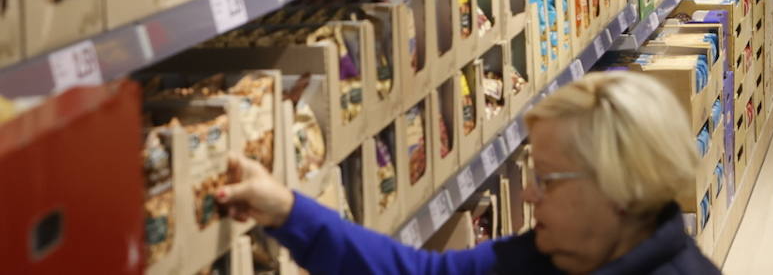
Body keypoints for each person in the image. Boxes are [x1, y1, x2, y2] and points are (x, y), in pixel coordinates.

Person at [215, 72, 720, 275]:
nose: (528, 196)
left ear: (621, 189)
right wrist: (287, 211)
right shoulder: (543, 258)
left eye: (546, 180)